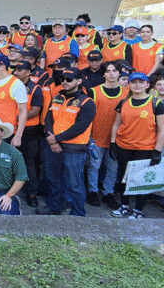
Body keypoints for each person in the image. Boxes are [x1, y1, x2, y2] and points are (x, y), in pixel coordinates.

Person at [39, 67, 96, 216]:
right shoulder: (57, 97)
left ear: (78, 81)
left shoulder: (87, 102)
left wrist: (56, 139)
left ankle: (77, 213)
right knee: (53, 179)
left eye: (69, 79)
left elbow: (79, 127)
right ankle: (53, 206)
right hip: (53, 146)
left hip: (75, 149)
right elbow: (48, 119)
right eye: (63, 79)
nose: (64, 82)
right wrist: (53, 142)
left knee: (75, 184)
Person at [109, 72, 164, 219]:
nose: (137, 85)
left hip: (145, 148)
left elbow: (162, 129)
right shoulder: (123, 103)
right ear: (129, 85)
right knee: (123, 177)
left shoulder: (156, 103)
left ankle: (139, 209)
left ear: (147, 85)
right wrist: (113, 143)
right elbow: (116, 124)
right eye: (134, 82)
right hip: (124, 145)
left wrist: (157, 151)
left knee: (142, 180)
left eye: (141, 82)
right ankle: (124, 206)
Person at [87, 61, 126, 209]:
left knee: (112, 167)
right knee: (94, 166)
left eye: (114, 71)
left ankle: (108, 193)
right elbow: (88, 116)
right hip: (96, 136)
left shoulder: (126, 92)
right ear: (103, 74)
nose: (111, 74)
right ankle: (92, 191)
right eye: (108, 71)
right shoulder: (94, 91)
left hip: (117, 138)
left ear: (119, 74)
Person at [11, 61, 43, 208]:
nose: (16, 72)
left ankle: (31, 193)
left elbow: (35, 110)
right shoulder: (11, 85)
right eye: (15, 69)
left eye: (20, 70)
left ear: (28, 72)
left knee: (29, 163)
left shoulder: (35, 88)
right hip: (10, 128)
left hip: (28, 131)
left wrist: (16, 117)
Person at [0, 53, 28, 146]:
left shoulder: (16, 84)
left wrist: (19, 135)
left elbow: (23, 111)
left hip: (6, 132)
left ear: (2, 67)